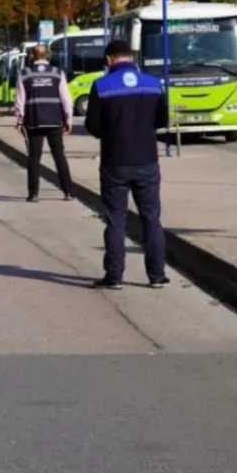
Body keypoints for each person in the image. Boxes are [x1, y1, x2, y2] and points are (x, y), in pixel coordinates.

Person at [83, 40, 170, 290]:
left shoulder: (101, 85)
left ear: (110, 59)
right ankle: (156, 275)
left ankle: (114, 276)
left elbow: (93, 124)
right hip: (147, 160)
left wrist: (111, 133)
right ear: (130, 57)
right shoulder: (153, 84)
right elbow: (162, 119)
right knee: (151, 218)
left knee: (115, 220)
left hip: (115, 162)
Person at [14, 44, 74, 202]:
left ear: (33, 56)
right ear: (47, 55)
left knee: (34, 158)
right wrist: (68, 119)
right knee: (59, 156)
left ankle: (33, 194)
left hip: (34, 121)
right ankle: (68, 192)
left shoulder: (24, 74)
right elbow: (66, 99)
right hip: (55, 121)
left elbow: (20, 100)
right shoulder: (57, 73)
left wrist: (19, 120)